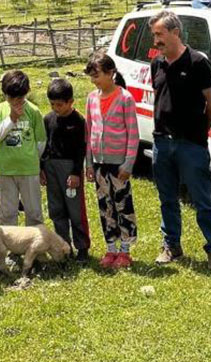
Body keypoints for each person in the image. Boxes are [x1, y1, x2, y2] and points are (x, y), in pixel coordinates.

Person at [147, 11, 211, 271]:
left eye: (159, 34)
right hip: (162, 142)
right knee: (167, 198)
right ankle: (172, 245)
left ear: (175, 33)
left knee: (202, 199)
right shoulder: (157, 64)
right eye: (154, 35)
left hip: (190, 143)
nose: (155, 40)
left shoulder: (197, 62)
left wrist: (200, 131)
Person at [84, 51, 139, 269]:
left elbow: (133, 135)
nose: (94, 80)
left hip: (119, 165)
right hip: (99, 163)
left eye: (97, 75)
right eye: (91, 77)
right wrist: (89, 163)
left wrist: (128, 163)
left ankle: (125, 250)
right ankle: (111, 248)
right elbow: (89, 132)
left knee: (122, 205)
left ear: (111, 73)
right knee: (104, 205)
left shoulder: (125, 98)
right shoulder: (91, 98)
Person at [40, 78, 91, 263]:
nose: (56, 108)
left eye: (60, 105)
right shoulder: (47, 119)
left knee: (75, 211)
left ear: (71, 102)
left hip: (70, 170)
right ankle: (64, 247)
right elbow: (43, 146)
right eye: (52, 104)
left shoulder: (78, 121)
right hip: (51, 168)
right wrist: (42, 168)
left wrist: (76, 172)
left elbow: (81, 149)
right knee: (56, 209)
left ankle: (82, 247)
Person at [0, 70, 47, 227]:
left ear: (26, 93)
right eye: (10, 98)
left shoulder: (33, 111)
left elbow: (41, 142)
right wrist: (11, 119)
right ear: (4, 94)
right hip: (6, 170)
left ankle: (35, 247)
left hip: (29, 170)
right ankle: (10, 247)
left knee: (34, 212)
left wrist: (33, 158)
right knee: (7, 213)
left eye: (19, 98)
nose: (15, 102)